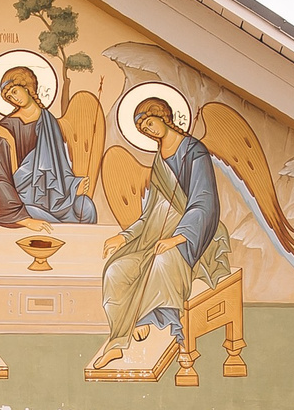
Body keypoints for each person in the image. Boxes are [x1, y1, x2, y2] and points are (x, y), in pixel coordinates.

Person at [94, 98, 232, 372]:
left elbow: (204, 201)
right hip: (155, 235)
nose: (148, 129)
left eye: (149, 121)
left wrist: (177, 238)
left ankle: (133, 329)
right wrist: (124, 236)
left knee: (162, 263)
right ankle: (125, 331)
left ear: (163, 116)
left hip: (195, 238)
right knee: (116, 270)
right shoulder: (160, 160)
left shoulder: (195, 152)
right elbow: (151, 214)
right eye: (143, 128)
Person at [0, 65, 95, 227]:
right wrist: (23, 218)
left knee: (86, 207)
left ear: (27, 87)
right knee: (44, 220)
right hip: (21, 201)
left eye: (14, 92)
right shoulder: (5, 129)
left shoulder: (49, 122)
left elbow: (59, 168)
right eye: (9, 97)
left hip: (55, 198)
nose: (13, 99)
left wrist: (74, 186)